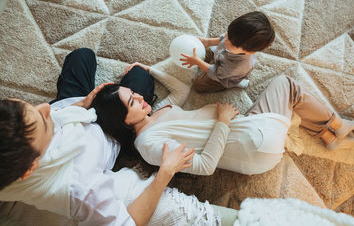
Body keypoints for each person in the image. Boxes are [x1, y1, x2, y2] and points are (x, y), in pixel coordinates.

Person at [0, 48, 225, 225]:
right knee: (140, 76)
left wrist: (80, 104)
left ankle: (115, 93)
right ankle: (129, 91)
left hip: (79, 112)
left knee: (81, 56)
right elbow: (129, 222)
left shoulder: (40, 123)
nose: (46, 108)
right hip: (112, 132)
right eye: (42, 120)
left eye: (31, 107)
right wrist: (165, 172)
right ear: (31, 168)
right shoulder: (81, 190)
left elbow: (53, 112)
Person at [92, 62, 354, 177]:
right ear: (125, 121)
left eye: (134, 93)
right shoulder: (149, 145)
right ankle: (336, 124)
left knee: (280, 100)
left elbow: (182, 90)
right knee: (287, 84)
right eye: (132, 102)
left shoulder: (157, 113)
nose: (141, 97)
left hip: (256, 150)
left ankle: (327, 135)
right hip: (249, 137)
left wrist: (148, 69)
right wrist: (222, 121)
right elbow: (204, 166)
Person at [180, 11, 275, 92]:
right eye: (228, 34)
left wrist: (198, 62)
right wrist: (208, 42)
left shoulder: (237, 66)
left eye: (231, 43)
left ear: (249, 52)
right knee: (204, 51)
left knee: (198, 85)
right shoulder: (233, 38)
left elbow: (216, 73)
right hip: (220, 57)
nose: (226, 40)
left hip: (223, 76)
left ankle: (235, 84)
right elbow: (221, 38)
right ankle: (209, 60)